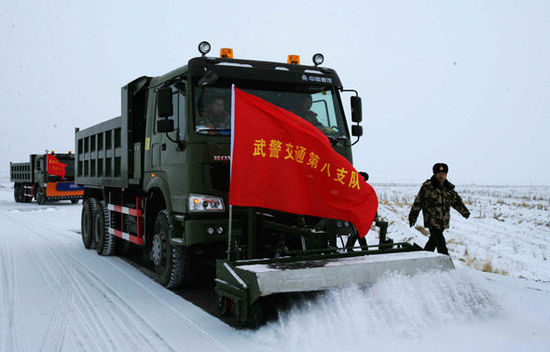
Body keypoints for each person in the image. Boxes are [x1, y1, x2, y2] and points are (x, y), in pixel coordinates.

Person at [408, 163, 470, 255]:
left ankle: (425, 258)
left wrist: (464, 212)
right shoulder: (427, 186)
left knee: (433, 242)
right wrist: (413, 216)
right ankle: (446, 262)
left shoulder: (448, 188)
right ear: (435, 174)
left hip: (443, 220)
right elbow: (418, 202)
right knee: (441, 244)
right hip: (432, 220)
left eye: (444, 174)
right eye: (439, 174)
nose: (442, 176)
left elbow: (456, 201)